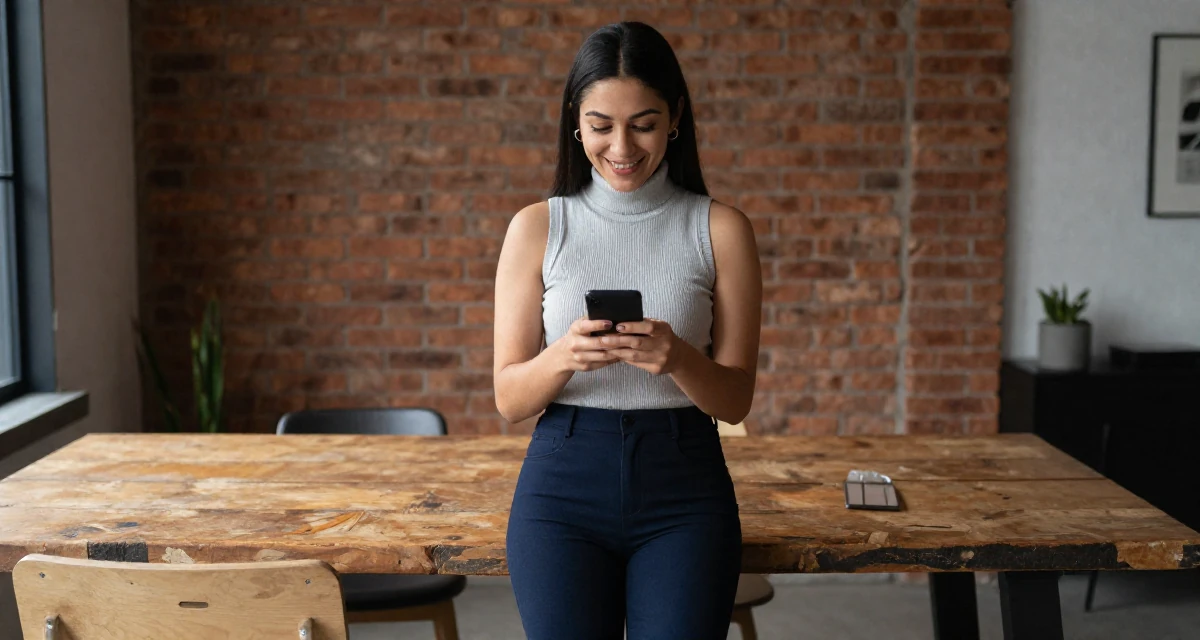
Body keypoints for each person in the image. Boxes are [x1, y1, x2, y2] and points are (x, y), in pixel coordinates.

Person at [492, 21, 762, 640]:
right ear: (574, 121)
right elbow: (509, 399)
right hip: (561, 486)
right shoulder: (537, 227)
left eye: (643, 123)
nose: (622, 147)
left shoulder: (721, 229)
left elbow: (736, 397)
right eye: (600, 125)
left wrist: (678, 359)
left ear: (676, 118)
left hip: (685, 488)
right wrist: (562, 355)